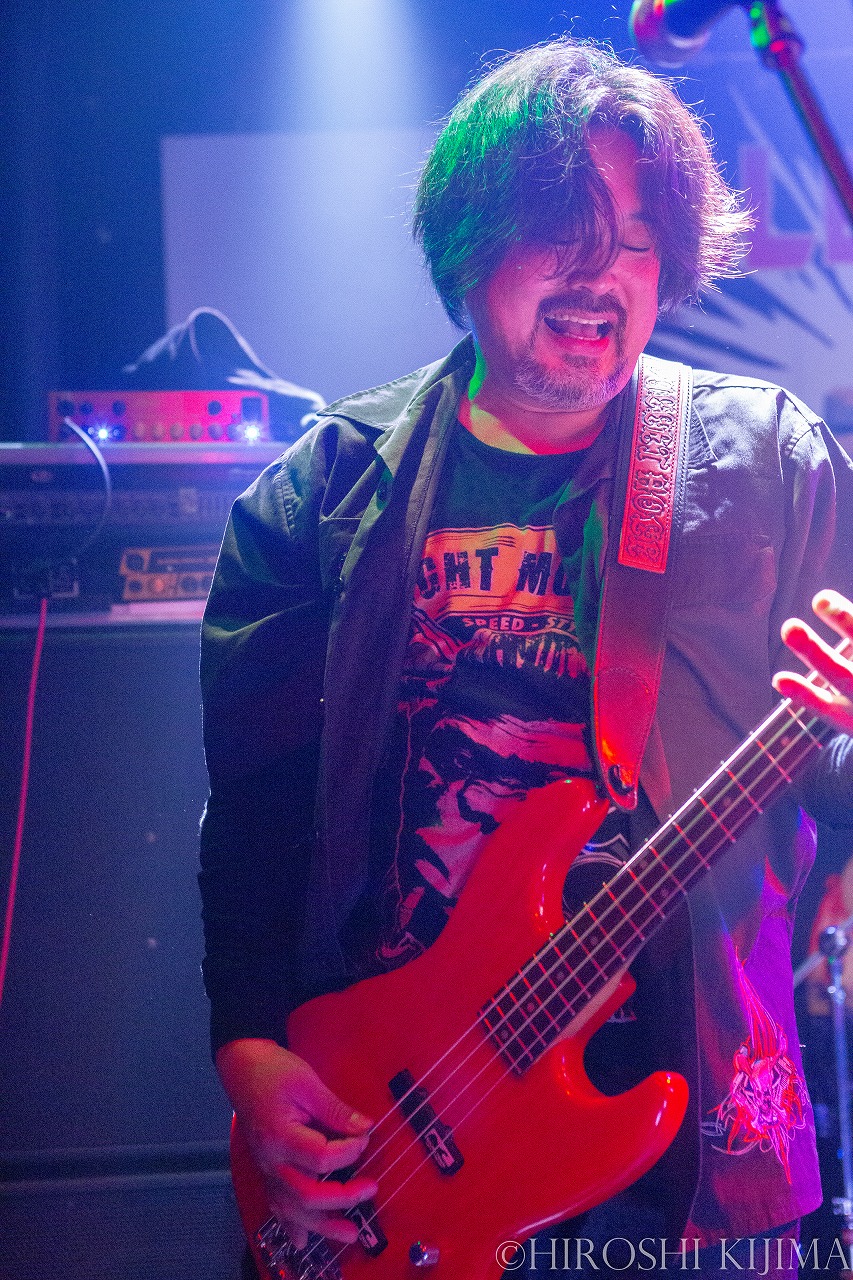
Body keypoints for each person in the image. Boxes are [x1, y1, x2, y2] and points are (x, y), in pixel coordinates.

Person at [199, 38, 853, 1279]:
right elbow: (255, 811)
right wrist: (247, 1045)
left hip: (695, 1161)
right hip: (398, 1133)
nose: (601, 272)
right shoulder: (320, 493)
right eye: (562, 232)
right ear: (466, 248)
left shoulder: (768, 465)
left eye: (636, 239)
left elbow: (832, 774)